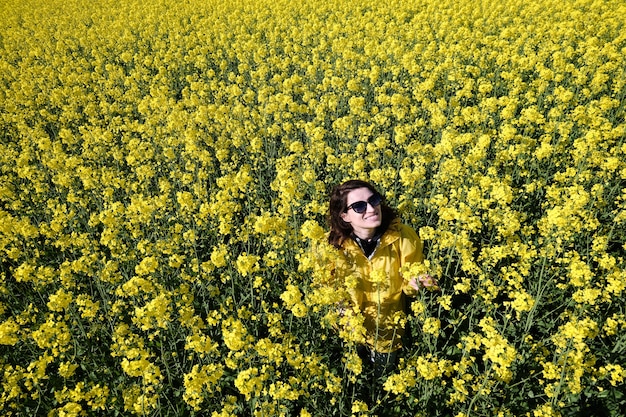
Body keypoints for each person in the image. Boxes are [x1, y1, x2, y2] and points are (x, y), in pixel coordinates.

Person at [327, 179, 437, 377]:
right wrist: (340, 309)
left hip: (386, 329)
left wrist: (416, 284)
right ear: (344, 216)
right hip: (348, 328)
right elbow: (324, 286)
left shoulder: (403, 236)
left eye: (374, 200)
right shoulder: (331, 244)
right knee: (351, 376)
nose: (371, 208)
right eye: (359, 206)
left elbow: (410, 279)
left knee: (382, 377)